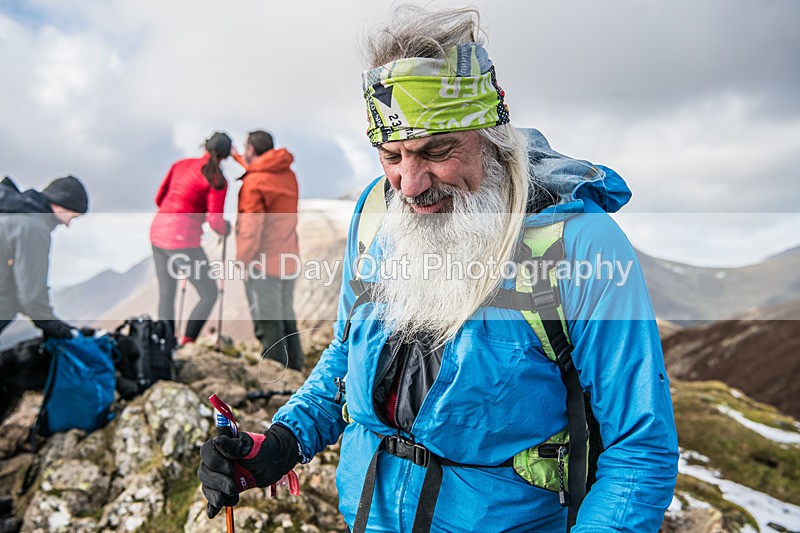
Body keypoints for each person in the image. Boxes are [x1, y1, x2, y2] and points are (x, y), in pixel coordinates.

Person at [197, 6, 678, 532]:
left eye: (436, 152)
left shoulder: (578, 245)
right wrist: (283, 441)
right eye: (391, 156)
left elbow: (640, 451)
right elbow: (346, 355)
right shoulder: (376, 215)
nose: (410, 184)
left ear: (491, 137)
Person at [230, 130, 304, 370]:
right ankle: (296, 369)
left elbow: (251, 228)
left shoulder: (253, 183)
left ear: (251, 150)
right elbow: (262, 171)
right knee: (286, 317)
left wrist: (242, 260)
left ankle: (276, 374)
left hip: (263, 264)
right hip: (288, 259)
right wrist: (237, 157)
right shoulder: (286, 174)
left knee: (268, 320)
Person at [150, 132, 232, 345]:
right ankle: (187, 342)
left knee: (167, 293)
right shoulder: (217, 179)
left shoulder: (180, 165)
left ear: (205, 146)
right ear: (225, 156)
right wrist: (226, 228)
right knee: (209, 293)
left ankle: (165, 345)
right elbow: (215, 221)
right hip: (183, 240)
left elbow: (159, 199)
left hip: (158, 233)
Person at [0, 175, 88, 339]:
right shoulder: (33, 228)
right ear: (60, 205)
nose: (68, 224)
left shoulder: (11, 216)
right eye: (73, 216)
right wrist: (61, 331)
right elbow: (31, 297)